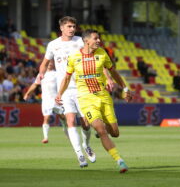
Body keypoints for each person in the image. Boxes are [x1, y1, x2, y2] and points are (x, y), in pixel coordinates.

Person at [55, 29, 132, 173]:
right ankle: (119, 161)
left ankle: (100, 128)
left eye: (99, 38)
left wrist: (125, 88)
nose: (99, 41)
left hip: (103, 97)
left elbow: (113, 71)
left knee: (114, 133)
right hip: (86, 99)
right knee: (101, 130)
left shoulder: (102, 53)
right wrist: (59, 93)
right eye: (96, 38)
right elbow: (66, 78)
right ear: (86, 41)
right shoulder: (74, 57)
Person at [39, 16, 96, 168]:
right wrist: (41, 74)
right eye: (69, 26)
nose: (72, 29)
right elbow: (44, 63)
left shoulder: (80, 41)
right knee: (70, 121)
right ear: (62, 28)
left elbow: (93, 57)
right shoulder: (53, 45)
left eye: (74, 26)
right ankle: (79, 155)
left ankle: (87, 144)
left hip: (82, 87)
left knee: (85, 123)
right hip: (64, 90)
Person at [24, 60, 67, 143]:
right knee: (46, 118)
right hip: (46, 100)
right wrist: (27, 93)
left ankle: (65, 128)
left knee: (62, 117)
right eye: (48, 63)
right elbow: (35, 85)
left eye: (51, 63)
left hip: (57, 99)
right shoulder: (41, 74)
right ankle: (45, 137)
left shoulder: (57, 74)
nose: (50, 65)